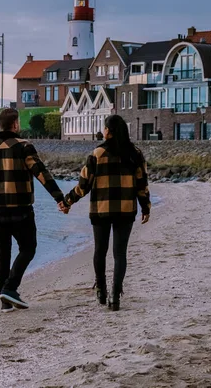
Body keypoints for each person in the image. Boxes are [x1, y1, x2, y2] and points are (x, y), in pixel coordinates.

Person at [0, 108, 67, 312]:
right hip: (21, 210)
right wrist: (60, 198)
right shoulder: (24, 146)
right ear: (15, 124)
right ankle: (10, 288)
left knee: (2, 257)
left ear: (0, 125)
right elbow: (41, 173)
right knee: (28, 248)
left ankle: (5, 303)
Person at [60, 114, 151, 311]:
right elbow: (141, 185)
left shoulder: (97, 154)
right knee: (120, 254)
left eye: (104, 128)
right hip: (126, 210)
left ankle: (101, 288)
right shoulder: (135, 153)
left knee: (100, 251)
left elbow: (83, 185)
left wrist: (67, 201)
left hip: (101, 210)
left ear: (108, 131)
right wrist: (145, 207)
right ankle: (115, 295)